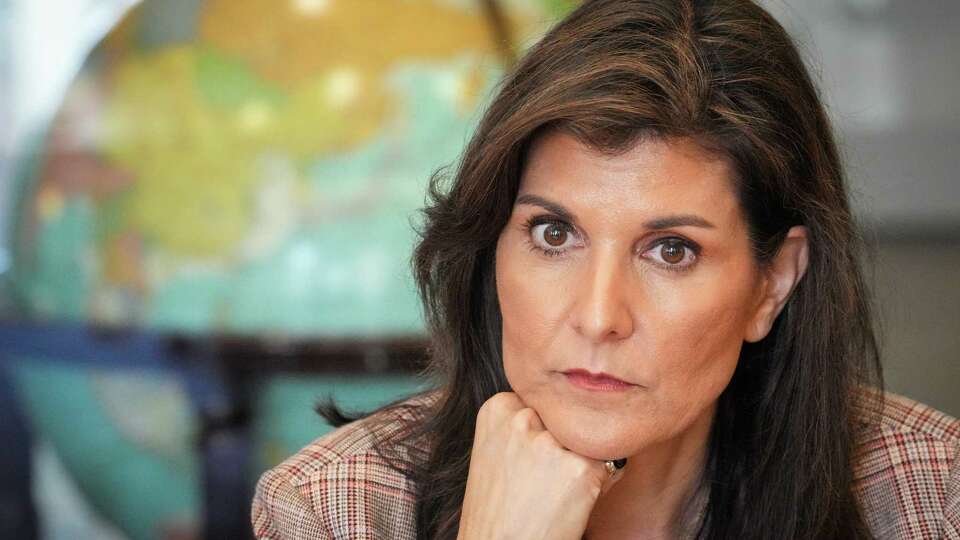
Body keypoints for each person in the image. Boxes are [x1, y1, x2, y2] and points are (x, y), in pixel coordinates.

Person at [251, 0, 960, 538]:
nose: (597, 316)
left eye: (672, 250)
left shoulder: (931, 493)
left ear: (771, 283)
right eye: (554, 233)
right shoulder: (334, 509)